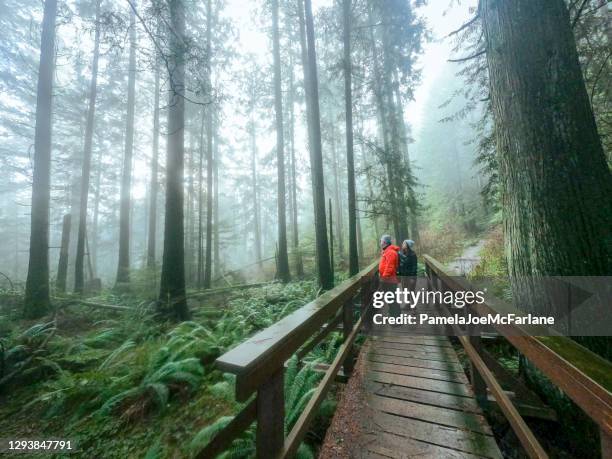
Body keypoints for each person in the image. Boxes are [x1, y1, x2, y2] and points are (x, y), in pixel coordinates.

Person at [378, 234, 400, 318]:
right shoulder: (387, 251)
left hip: (389, 281)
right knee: (391, 300)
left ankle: (397, 319)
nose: (380, 243)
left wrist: (383, 278)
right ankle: (393, 316)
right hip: (388, 280)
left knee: (392, 300)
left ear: (384, 242)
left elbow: (389, 267)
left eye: (381, 241)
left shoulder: (390, 252)